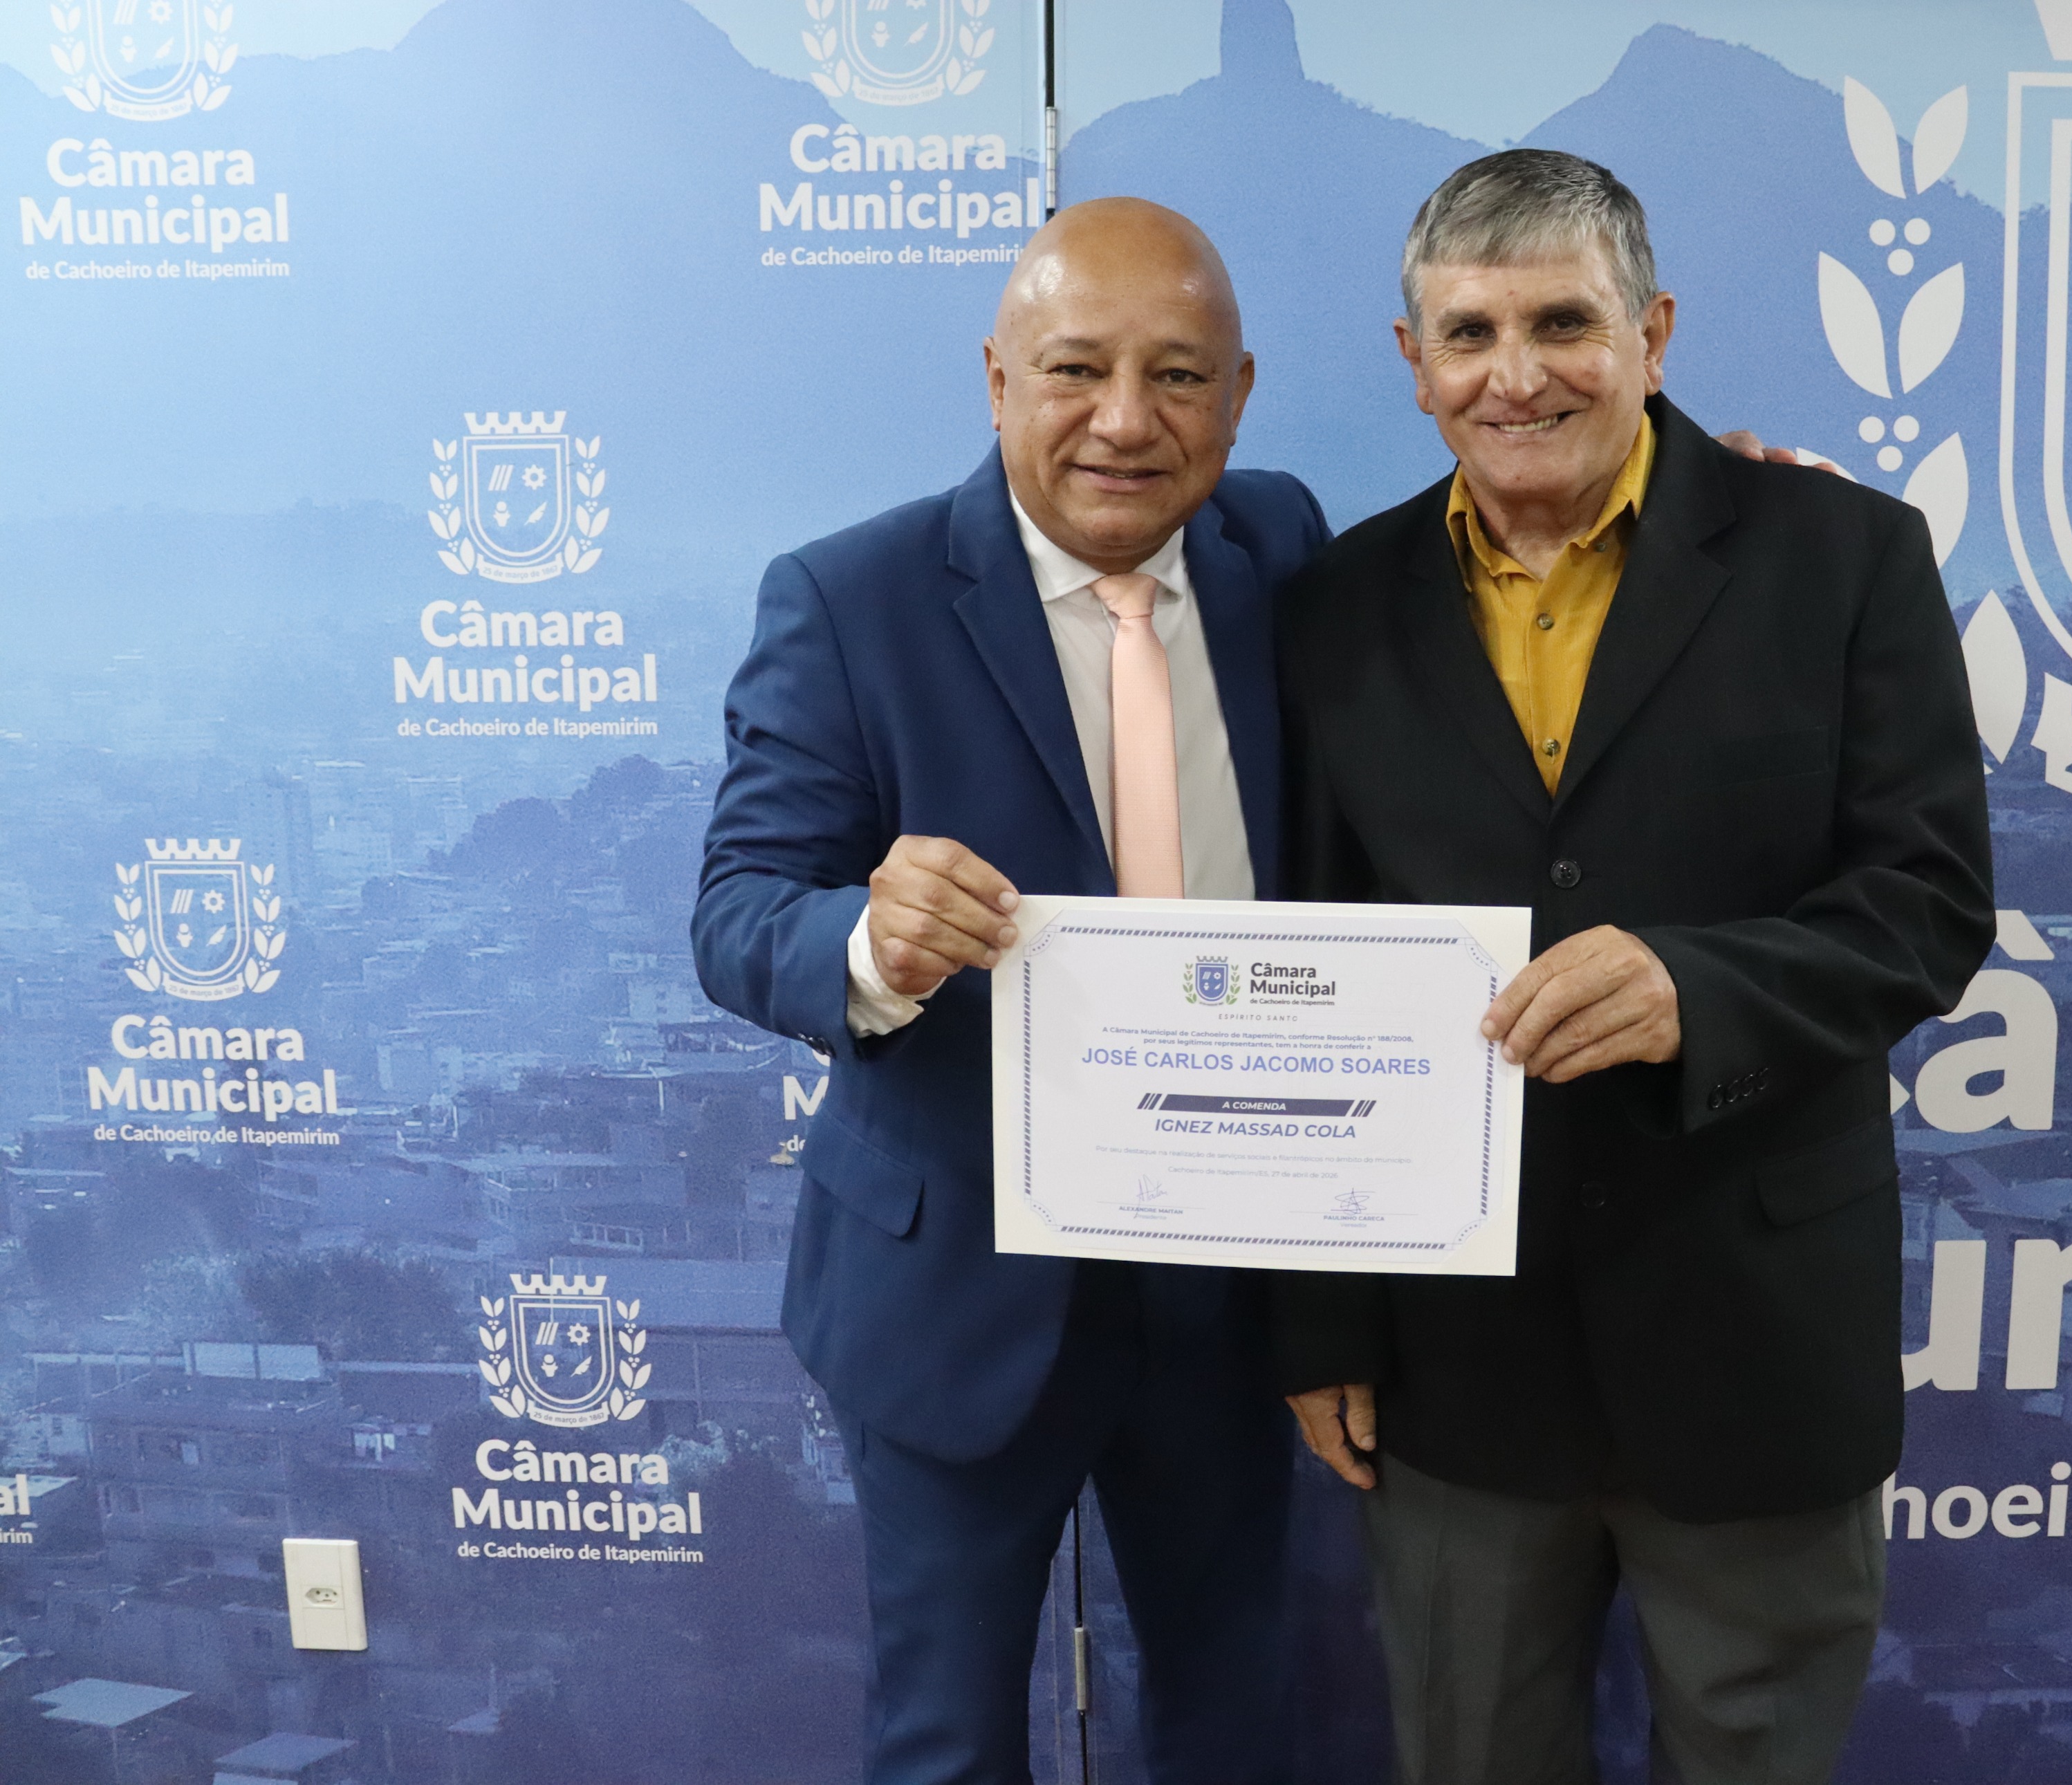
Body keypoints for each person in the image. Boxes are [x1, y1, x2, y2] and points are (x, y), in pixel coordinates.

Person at [1275, 150, 1995, 1785]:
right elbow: (1316, 963)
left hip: (1753, 1336)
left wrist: (1702, 993)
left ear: (1652, 334)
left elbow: (1931, 901)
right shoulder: (1330, 610)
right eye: (1468, 333)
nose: (1514, 375)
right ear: (1412, 362)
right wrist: (1319, 1324)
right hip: (1452, 1362)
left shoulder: (1847, 556)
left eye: (1563, 323)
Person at [692, 198, 1320, 1784]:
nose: (1126, 419)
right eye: (1075, 369)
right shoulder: (850, 596)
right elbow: (739, 909)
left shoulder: (1285, 547)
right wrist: (868, 938)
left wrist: (1705, 524)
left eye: (1178, 374)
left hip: (1233, 1288)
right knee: (949, 1741)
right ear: (995, 379)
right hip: (958, 1288)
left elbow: (1499, 576)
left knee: (1239, 1726)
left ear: (1240, 395)